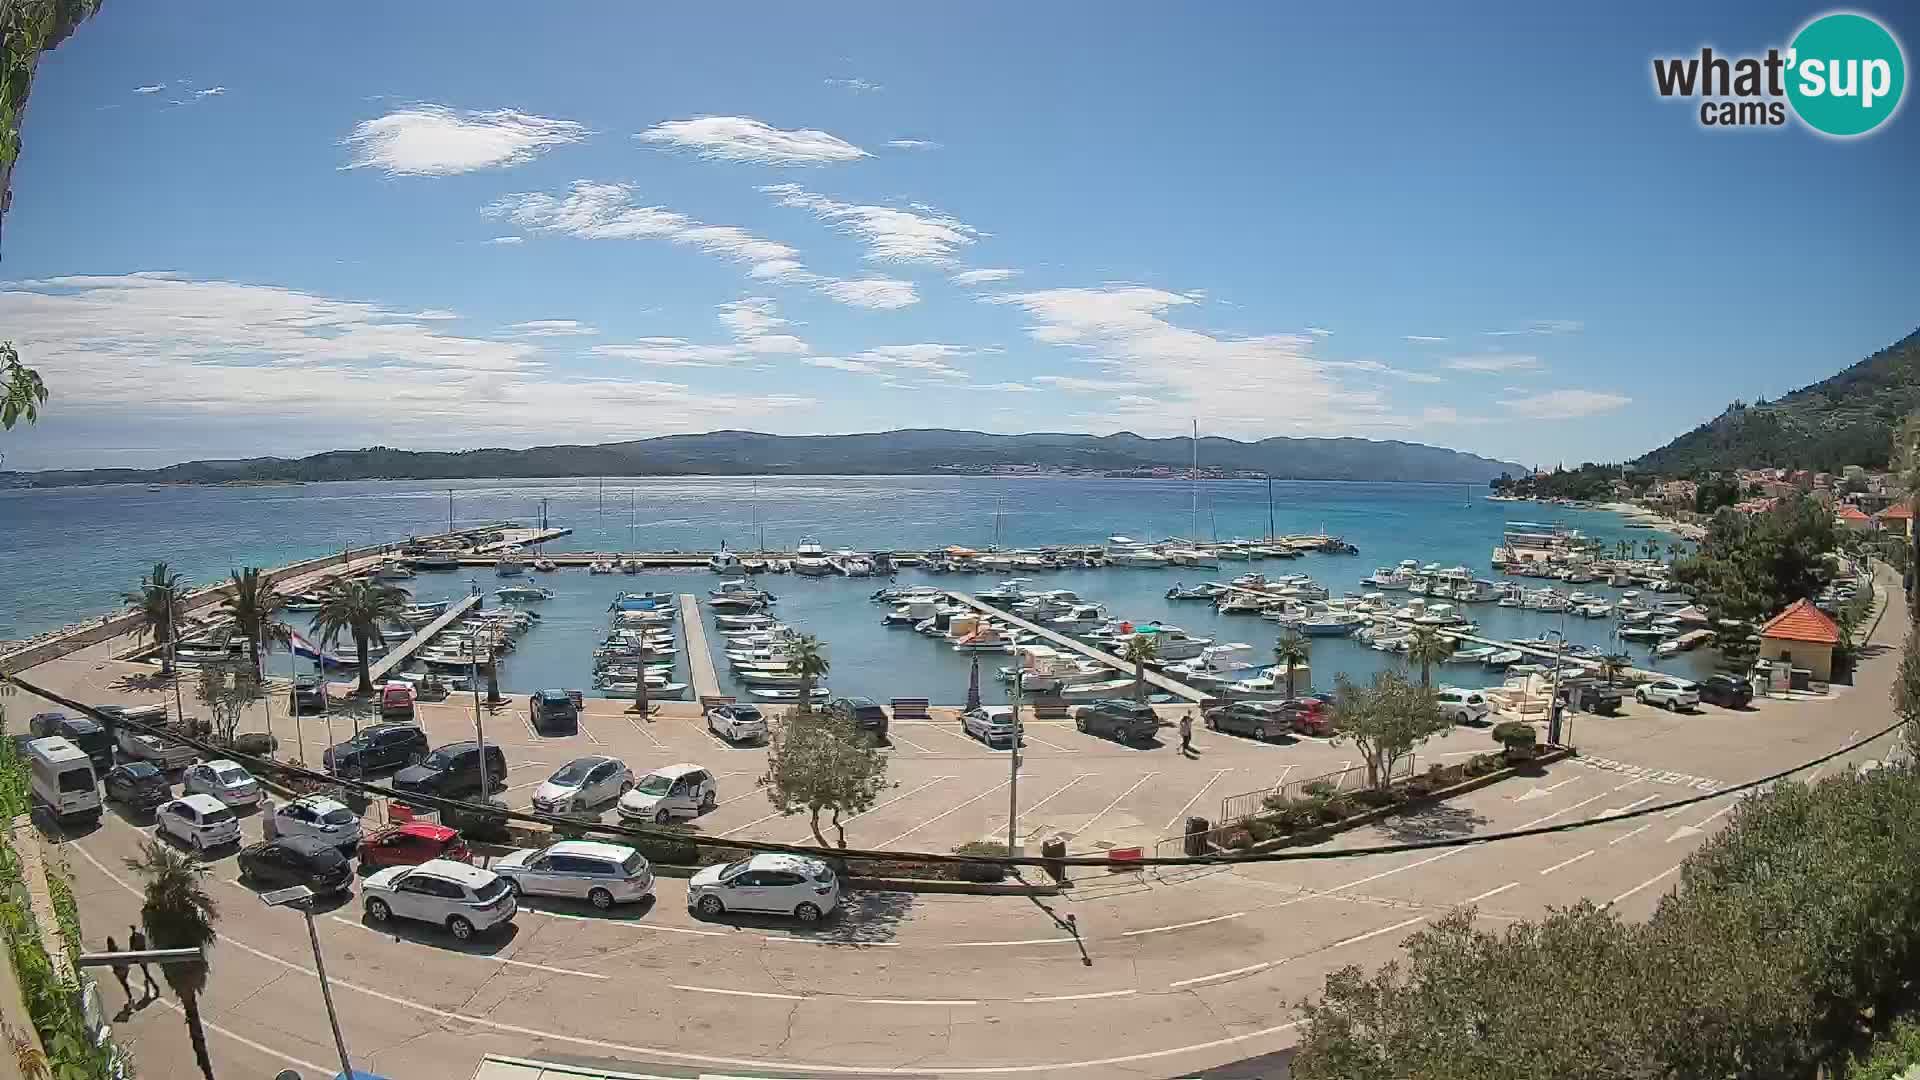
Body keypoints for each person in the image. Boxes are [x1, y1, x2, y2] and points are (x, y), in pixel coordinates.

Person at [127, 923, 159, 997]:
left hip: (140, 956)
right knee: (145, 971)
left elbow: (131, 949)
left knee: (146, 972)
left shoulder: (132, 938)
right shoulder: (141, 936)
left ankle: (155, 987)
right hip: (144, 954)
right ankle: (149, 984)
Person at [105, 935, 132, 999]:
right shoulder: (115, 949)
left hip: (120, 969)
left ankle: (129, 996)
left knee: (124, 983)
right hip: (122, 969)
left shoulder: (112, 950)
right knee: (124, 983)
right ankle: (129, 995)